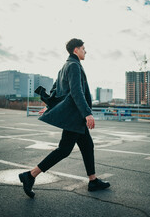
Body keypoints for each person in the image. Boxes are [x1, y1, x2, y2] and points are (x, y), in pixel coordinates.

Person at [19, 38, 110, 198]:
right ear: (76, 50)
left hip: (74, 117)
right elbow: (76, 92)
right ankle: (30, 175)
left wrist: (49, 105)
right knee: (64, 150)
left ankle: (93, 180)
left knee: (87, 145)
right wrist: (87, 113)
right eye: (83, 48)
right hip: (75, 117)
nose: (85, 51)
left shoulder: (64, 67)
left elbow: (57, 89)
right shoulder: (74, 66)